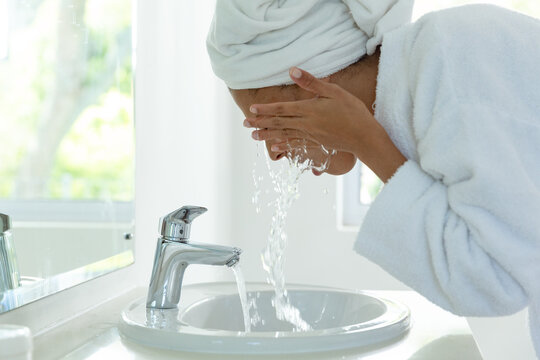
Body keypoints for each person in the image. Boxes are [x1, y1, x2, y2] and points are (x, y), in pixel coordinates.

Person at [207, 0, 540, 356]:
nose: (273, 152)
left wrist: (367, 141)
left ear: (309, 85)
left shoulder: (452, 62)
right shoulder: (432, 74)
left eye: (267, 124)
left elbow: (498, 280)